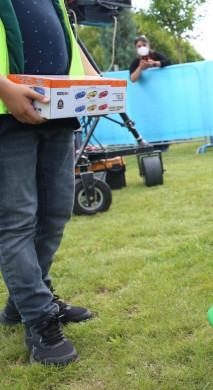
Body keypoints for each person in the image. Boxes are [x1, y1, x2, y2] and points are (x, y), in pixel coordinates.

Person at [0, 0, 99, 366]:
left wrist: (97, 83)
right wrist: (3, 88)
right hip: (6, 115)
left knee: (56, 213)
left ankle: (24, 301)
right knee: (17, 222)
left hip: (59, 111)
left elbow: (69, 42)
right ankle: (39, 320)